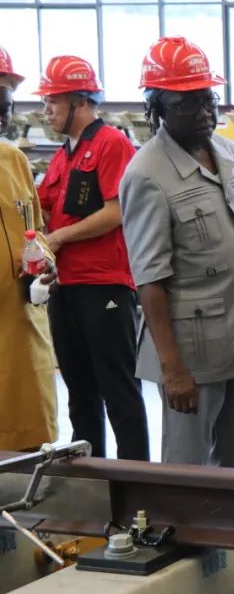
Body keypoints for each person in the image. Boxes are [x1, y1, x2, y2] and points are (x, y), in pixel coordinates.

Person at [119, 37, 234, 468]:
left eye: (208, 98)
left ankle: (227, 516)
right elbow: (149, 279)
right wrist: (172, 369)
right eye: (187, 103)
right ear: (157, 109)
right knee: (187, 467)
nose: (204, 111)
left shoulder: (228, 153)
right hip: (193, 353)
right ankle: (182, 521)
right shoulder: (147, 175)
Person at [35, 55, 149, 460]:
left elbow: (116, 211)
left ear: (81, 101)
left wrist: (57, 238)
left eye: (53, 101)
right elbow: (43, 209)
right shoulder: (62, 156)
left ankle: (136, 482)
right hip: (66, 287)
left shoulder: (111, 144)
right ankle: (91, 481)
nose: (46, 110)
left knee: (118, 389)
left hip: (104, 285)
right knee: (80, 392)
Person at [0, 45, 58, 451]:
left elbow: (34, 232)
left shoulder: (14, 161)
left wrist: (46, 263)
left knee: (29, 455)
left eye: (5, 105)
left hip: (24, 337)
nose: (1, 116)